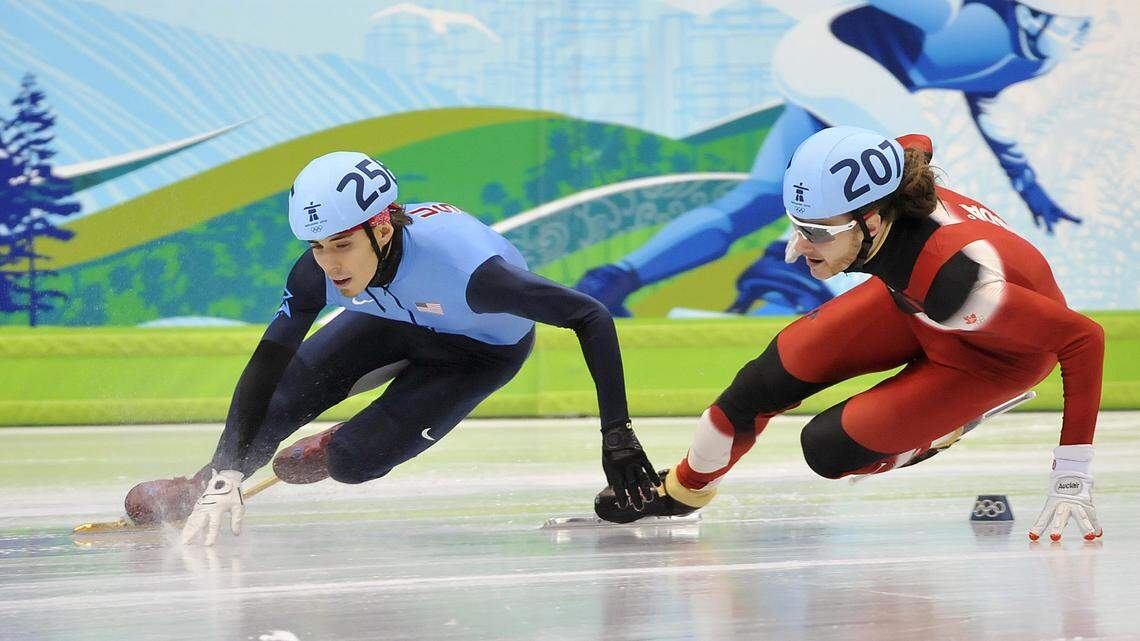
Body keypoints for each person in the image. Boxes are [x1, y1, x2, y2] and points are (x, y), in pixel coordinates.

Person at [595, 126, 1104, 543]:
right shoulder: (888, 186)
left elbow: (1083, 339)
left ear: (874, 221)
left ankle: (945, 428)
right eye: (797, 226)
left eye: (816, 232)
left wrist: (1072, 470)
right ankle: (683, 493)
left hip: (991, 356)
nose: (801, 244)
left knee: (828, 450)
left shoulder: (958, 281)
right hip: (908, 303)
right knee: (757, 386)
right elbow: (916, 142)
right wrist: (817, 231)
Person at [125, 151, 659, 545]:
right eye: (316, 247)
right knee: (277, 405)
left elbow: (590, 314)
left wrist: (618, 433)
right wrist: (226, 468)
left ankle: (341, 443)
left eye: (342, 245)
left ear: (382, 227)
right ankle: (200, 487)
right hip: (390, 323)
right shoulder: (317, 271)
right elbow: (267, 363)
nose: (330, 265)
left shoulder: (472, 275)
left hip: (477, 354)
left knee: (355, 463)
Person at [576, 0, 1095, 317]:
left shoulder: (1029, 60)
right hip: (839, 60)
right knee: (907, 160)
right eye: (1065, 23)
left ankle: (616, 278)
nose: (1071, 39)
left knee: (760, 196)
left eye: (1081, 30)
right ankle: (789, 282)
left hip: (826, 65)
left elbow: (988, 110)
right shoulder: (960, 10)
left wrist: (1031, 188)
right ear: (1029, 9)